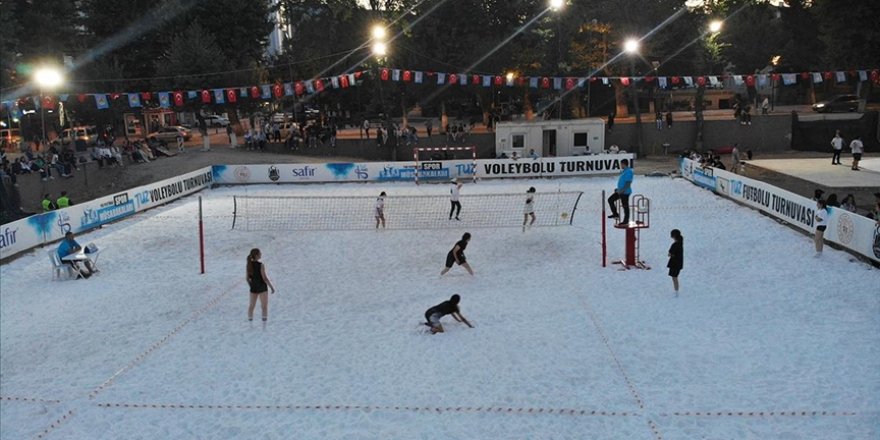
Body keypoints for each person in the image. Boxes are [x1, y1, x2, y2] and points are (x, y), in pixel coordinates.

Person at [246, 248, 275, 321]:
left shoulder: (249, 265)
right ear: (256, 255)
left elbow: (247, 278)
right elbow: (264, 278)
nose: (261, 254)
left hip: (253, 287)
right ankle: (264, 323)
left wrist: (251, 285)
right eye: (260, 253)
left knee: (251, 306)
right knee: (264, 306)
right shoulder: (261, 265)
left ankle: (250, 321)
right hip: (262, 287)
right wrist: (271, 287)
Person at [607, 158, 633, 224]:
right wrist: (618, 189)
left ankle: (626, 220)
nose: (620, 165)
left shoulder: (629, 171)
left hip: (625, 192)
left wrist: (622, 190)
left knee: (625, 206)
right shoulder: (624, 171)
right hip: (620, 191)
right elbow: (622, 181)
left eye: (621, 164)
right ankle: (615, 214)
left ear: (624, 164)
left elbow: (628, 183)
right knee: (610, 200)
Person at [667, 229, 684, 295]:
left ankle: (676, 291)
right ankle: (676, 290)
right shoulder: (680, 243)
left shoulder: (675, 245)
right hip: (679, 262)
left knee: (674, 277)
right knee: (675, 277)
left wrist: (670, 254)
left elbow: (670, 254)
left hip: (674, 263)